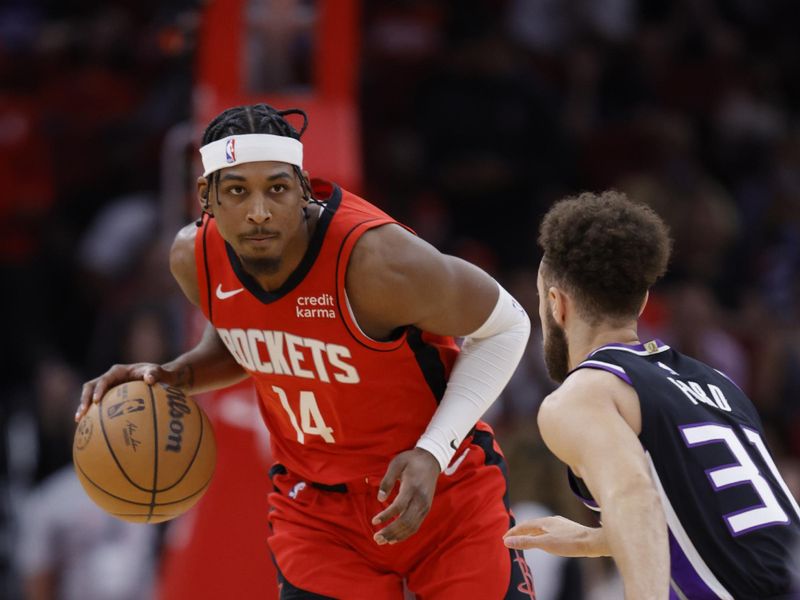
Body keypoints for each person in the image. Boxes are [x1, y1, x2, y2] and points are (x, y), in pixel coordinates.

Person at [76, 103, 534, 599]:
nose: (258, 211)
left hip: (441, 490)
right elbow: (251, 335)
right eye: (236, 191)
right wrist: (175, 375)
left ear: (302, 187)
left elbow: (507, 325)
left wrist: (432, 450)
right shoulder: (194, 258)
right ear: (205, 196)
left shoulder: (377, 262)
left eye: (276, 188)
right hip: (318, 511)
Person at [503, 191, 800, 599]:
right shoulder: (716, 382)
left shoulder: (580, 396)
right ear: (642, 301)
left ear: (556, 304)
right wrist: (596, 540)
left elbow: (634, 495)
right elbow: (727, 520)